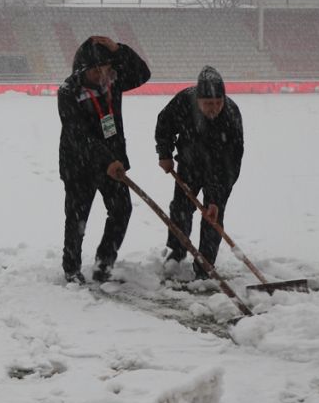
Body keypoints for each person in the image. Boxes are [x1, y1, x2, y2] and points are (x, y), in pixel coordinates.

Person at [58, 36, 151, 284]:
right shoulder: (68, 92)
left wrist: (119, 49)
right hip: (79, 165)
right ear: (82, 70)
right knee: (77, 218)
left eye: (107, 69)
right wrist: (106, 160)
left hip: (113, 164)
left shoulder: (114, 83)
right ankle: (71, 268)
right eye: (96, 70)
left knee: (122, 210)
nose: (102, 75)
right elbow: (79, 135)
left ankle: (104, 261)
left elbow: (143, 74)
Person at [154, 65, 244, 280]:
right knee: (181, 209)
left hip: (220, 170)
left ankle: (205, 264)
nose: (214, 108)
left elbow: (232, 162)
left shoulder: (231, 115)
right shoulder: (184, 101)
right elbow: (164, 124)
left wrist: (216, 198)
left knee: (213, 216)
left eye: (218, 103)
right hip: (189, 164)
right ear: (198, 100)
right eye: (208, 104)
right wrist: (164, 154)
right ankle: (176, 252)